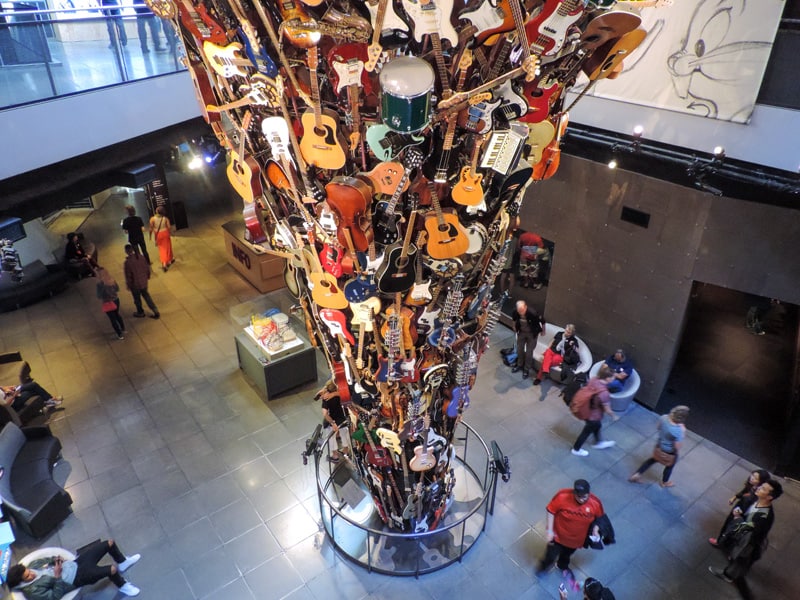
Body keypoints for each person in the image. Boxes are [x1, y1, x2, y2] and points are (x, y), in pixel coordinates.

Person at [708, 479, 783, 599]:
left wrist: (737, 517)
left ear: (769, 497)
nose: (759, 488)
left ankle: (729, 575)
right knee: (738, 559)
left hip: (747, 543)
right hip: (744, 538)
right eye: (761, 486)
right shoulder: (757, 501)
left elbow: (745, 529)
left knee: (739, 561)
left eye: (763, 489)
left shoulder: (763, 516)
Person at [6, 539, 141, 598]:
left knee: (109, 543)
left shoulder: (31, 567)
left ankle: (123, 562)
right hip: (76, 578)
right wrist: (58, 576)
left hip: (75, 563)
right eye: (28, 577)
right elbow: (54, 596)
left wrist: (56, 559)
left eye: (29, 572)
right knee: (111, 569)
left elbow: (45, 560)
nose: (31, 574)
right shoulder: (33, 591)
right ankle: (123, 586)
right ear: (22, 582)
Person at [537, 479, 605, 576]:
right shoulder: (562, 496)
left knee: (567, 555)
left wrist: (595, 530)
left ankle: (562, 565)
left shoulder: (595, 503)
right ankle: (544, 567)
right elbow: (551, 510)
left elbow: (600, 518)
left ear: (588, 493)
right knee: (550, 556)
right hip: (557, 537)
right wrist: (550, 530)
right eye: (579, 497)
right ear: (574, 493)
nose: (581, 499)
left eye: (584, 497)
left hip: (576, 541)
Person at [629, 405, 690, 487]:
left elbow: (658, 427)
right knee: (670, 466)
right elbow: (677, 447)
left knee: (652, 460)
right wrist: (683, 433)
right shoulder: (678, 431)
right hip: (669, 452)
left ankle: (637, 474)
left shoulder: (664, 417)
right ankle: (665, 482)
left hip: (659, 446)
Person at [710, 469, 771, 549]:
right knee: (729, 525)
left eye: (755, 478)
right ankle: (722, 542)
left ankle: (723, 543)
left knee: (733, 529)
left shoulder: (758, 495)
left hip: (743, 514)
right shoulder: (751, 486)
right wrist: (734, 497)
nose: (751, 478)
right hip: (739, 509)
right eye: (752, 475)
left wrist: (739, 515)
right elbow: (744, 491)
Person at [570, 365, 619, 456]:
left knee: (597, 425)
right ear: (607, 378)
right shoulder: (604, 393)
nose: (614, 379)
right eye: (613, 378)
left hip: (585, 408)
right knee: (586, 432)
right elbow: (607, 409)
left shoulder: (594, 379)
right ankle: (576, 449)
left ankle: (599, 442)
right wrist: (614, 416)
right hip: (593, 415)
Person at [123, 244, 159, 319]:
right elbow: (147, 267)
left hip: (135, 285)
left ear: (126, 251)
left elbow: (128, 276)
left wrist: (129, 285)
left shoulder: (128, 263)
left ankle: (140, 312)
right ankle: (155, 310)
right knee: (147, 296)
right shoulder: (141, 257)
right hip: (143, 282)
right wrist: (147, 276)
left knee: (137, 299)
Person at [511, 300, 545, 379]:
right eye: (519, 311)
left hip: (532, 334)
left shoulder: (532, 313)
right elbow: (514, 319)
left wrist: (543, 331)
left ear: (525, 307)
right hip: (522, 332)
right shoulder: (515, 312)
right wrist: (514, 326)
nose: (521, 312)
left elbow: (543, 321)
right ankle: (519, 364)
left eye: (522, 310)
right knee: (520, 349)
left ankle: (526, 369)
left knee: (529, 352)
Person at [317, 381, 347, 462]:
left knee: (331, 438)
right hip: (343, 418)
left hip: (332, 420)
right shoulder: (341, 394)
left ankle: (335, 455)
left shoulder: (326, 399)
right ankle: (346, 451)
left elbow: (325, 413)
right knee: (344, 434)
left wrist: (332, 423)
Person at [94, 263, 126, 340]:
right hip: (116, 300)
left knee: (112, 319)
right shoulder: (111, 280)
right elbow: (117, 289)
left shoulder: (100, 284)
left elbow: (99, 295)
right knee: (117, 315)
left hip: (107, 302)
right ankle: (123, 328)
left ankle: (119, 334)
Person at [149, 206, 175, 272]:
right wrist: (171, 233)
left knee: (162, 249)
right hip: (165, 233)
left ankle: (164, 263)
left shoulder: (152, 219)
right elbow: (169, 227)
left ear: (157, 211)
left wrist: (150, 236)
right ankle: (169, 260)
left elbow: (151, 228)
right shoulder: (165, 218)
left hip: (158, 235)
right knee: (168, 247)